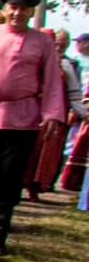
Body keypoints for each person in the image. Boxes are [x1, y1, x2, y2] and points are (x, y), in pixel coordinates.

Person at [0, 0, 67, 254]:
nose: (17, 13)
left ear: (31, 12)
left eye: (23, 9)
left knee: (10, 176)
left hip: (22, 120)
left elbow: (51, 80)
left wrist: (52, 114)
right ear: (5, 9)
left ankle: (1, 231)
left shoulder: (42, 41)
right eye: (13, 7)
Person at [23, 26, 80, 197]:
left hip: (53, 115)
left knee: (45, 154)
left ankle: (38, 187)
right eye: (56, 43)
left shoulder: (66, 65)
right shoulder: (31, 60)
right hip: (29, 114)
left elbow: (73, 92)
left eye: (63, 44)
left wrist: (81, 112)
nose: (59, 47)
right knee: (28, 152)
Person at [61, 30, 89, 195]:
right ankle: (71, 178)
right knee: (75, 141)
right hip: (79, 105)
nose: (77, 45)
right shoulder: (75, 62)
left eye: (80, 41)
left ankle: (75, 180)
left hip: (82, 106)